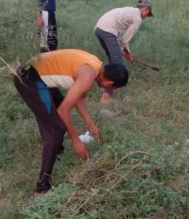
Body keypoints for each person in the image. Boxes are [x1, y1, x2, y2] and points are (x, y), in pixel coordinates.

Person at [12, 49, 129, 194]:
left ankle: (56, 149)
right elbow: (63, 111)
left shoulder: (95, 65)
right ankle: (42, 187)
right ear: (110, 84)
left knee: (57, 111)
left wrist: (91, 125)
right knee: (56, 129)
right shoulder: (88, 76)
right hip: (29, 78)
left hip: (36, 72)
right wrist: (76, 141)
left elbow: (78, 97)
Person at [94, 0, 153, 102]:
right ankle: (107, 96)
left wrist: (125, 52)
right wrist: (127, 53)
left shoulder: (131, 11)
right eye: (148, 14)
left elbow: (120, 39)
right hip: (108, 31)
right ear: (145, 9)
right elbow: (125, 39)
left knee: (112, 60)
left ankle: (105, 85)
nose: (146, 16)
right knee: (117, 64)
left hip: (99, 29)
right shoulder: (137, 17)